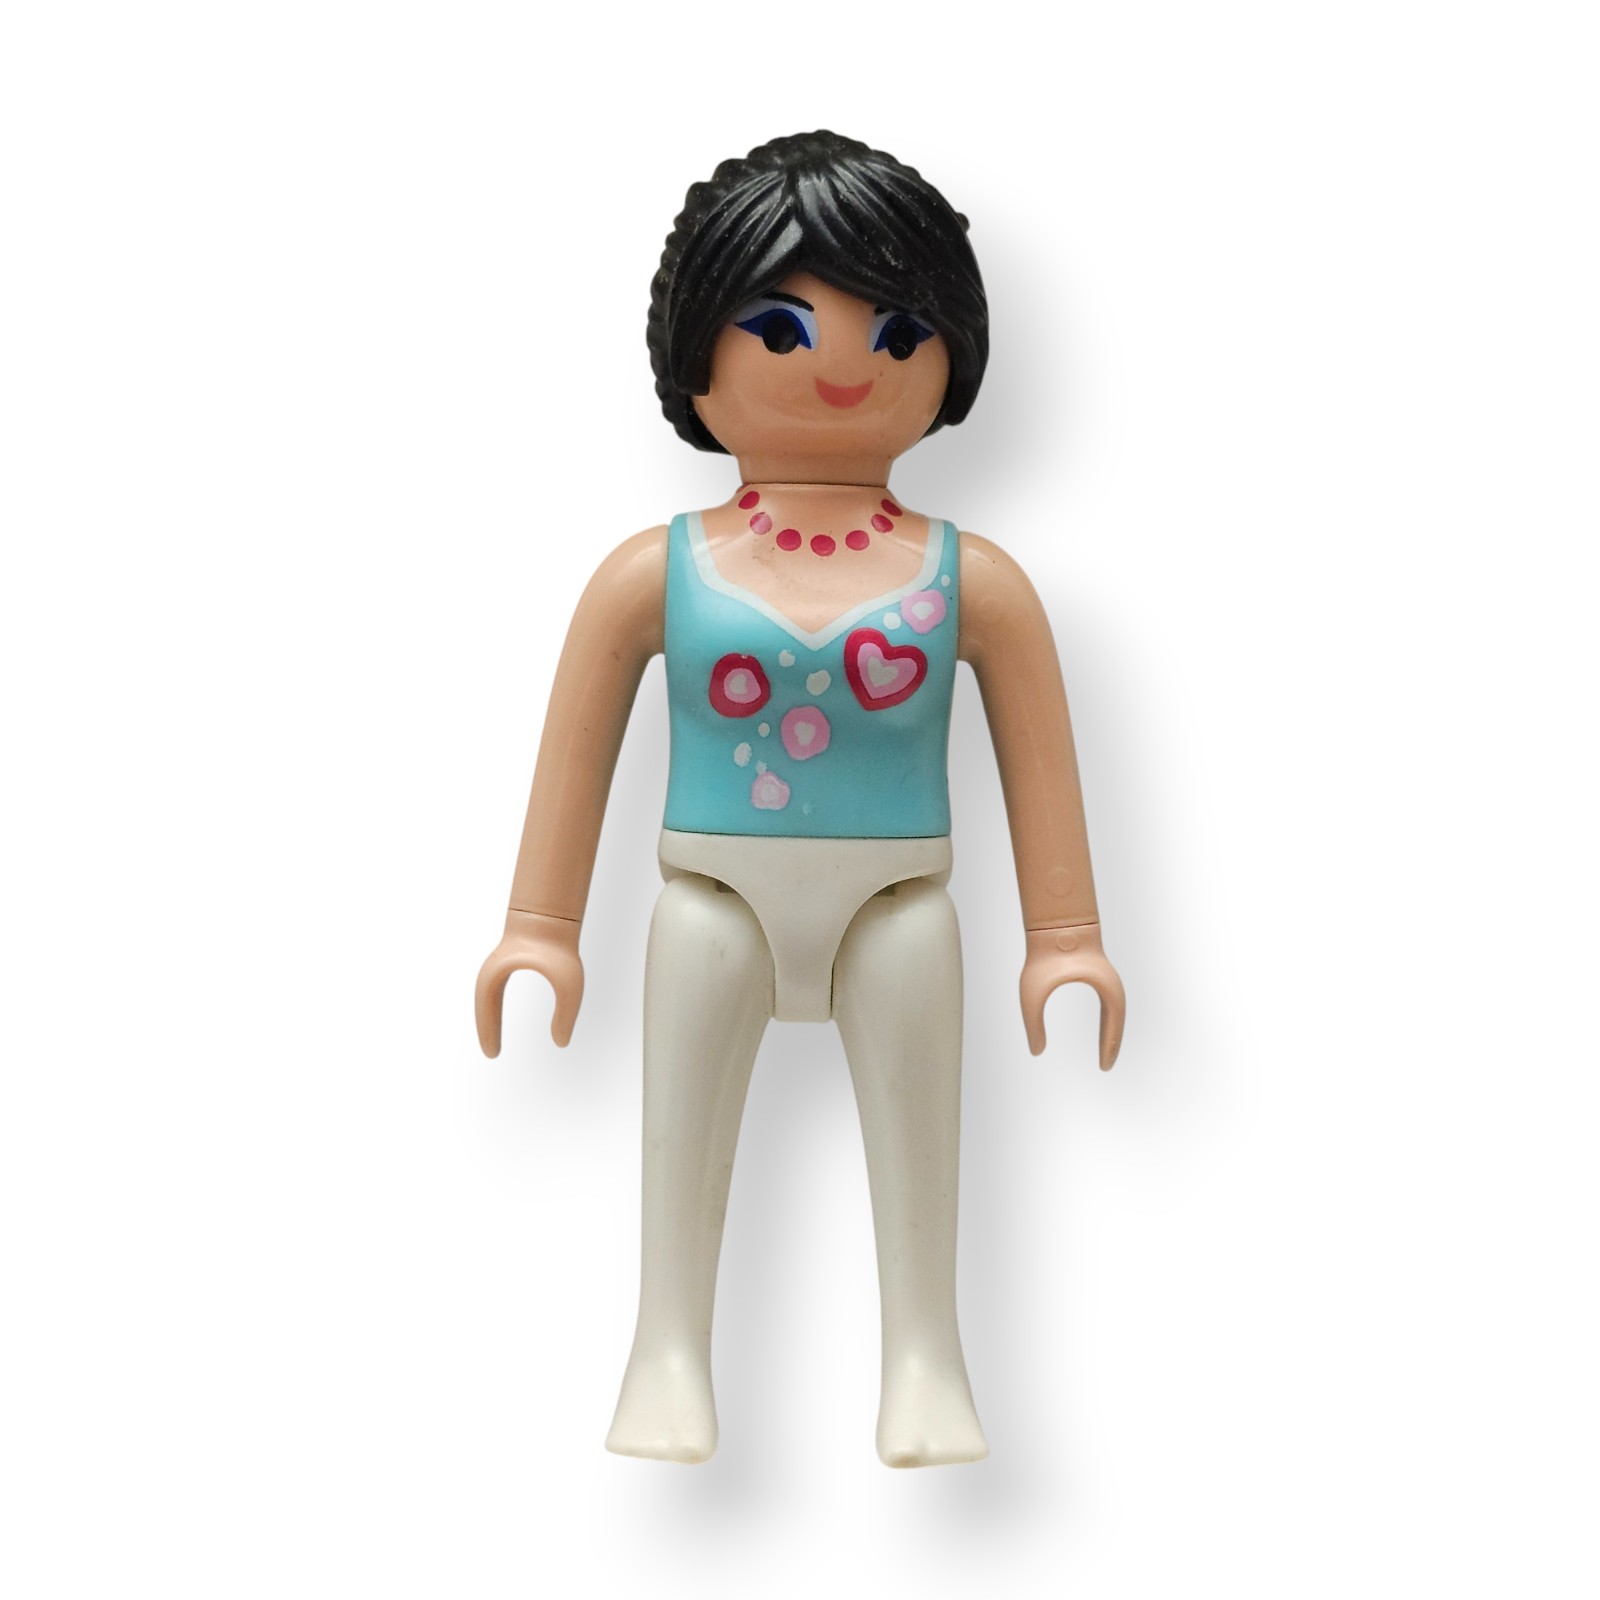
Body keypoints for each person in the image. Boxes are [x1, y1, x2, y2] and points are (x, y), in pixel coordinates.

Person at [475, 132, 1125, 1467]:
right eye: (778, 327)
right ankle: (665, 1348)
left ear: (950, 357)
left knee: (921, 1141)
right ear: (694, 358)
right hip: (711, 895)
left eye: (897, 333)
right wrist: (540, 925)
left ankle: (927, 1355)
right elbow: (574, 753)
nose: (841, 366)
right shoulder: (654, 573)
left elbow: (1041, 764)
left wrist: (1066, 940)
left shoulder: (973, 581)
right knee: (680, 1143)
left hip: (900, 900)